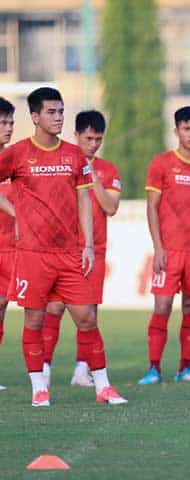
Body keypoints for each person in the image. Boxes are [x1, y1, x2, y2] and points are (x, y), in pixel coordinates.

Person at [0, 87, 126, 406]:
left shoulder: (73, 154)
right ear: (35, 117)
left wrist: (86, 245)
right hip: (32, 255)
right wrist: (15, 212)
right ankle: (39, 388)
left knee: (87, 318)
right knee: (34, 321)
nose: (58, 118)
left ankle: (103, 387)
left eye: (60, 112)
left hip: (70, 254)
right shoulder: (16, 154)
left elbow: (84, 198)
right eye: (51, 112)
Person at [40, 110, 122, 388]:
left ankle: (81, 370)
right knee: (53, 308)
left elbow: (110, 207)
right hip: (60, 249)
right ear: (75, 135)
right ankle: (45, 369)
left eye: (98, 139)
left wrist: (90, 175)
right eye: (88, 138)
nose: (93, 144)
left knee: (89, 313)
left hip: (93, 250)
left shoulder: (108, 169)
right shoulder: (59, 163)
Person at [139, 106, 190, 385]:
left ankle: (186, 368)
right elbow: (152, 207)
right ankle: (153, 368)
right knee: (162, 307)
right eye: (186, 128)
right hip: (170, 250)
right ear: (176, 131)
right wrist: (158, 248)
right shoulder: (161, 164)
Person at [0, 96, 15, 392]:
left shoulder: (16, 158)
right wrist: (19, 213)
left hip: (13, 247)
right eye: (3, 122)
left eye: (11, 122)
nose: (8, 127)